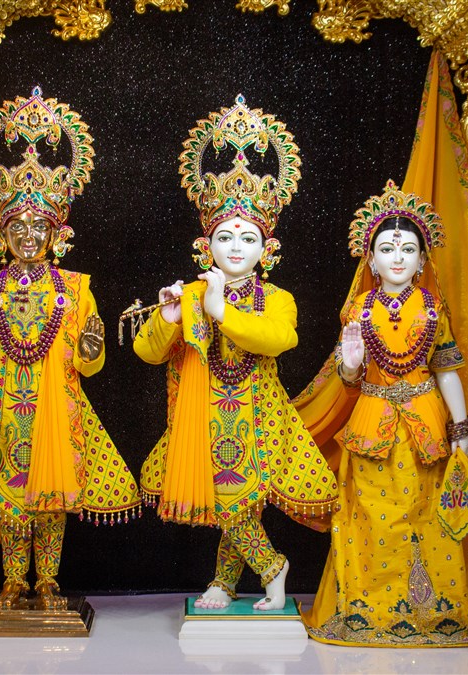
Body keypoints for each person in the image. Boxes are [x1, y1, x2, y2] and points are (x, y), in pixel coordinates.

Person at [133, 95, 338, 611]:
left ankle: (265, 568)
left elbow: (278, 339)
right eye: (224, 237)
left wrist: (220, 310)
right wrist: (169, 317)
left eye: (248, 238)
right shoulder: (190, 294)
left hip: (259, 417)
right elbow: (148, 353)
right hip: (203, 415)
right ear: (208, 246)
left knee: (236, 498)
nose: (236, 246)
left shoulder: (278, 298)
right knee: (232, 499)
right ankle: (231, 580)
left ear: (266, 249)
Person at [0, 88, 140, 610]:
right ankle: (12, 581)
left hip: (58, 405)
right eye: (17, 227)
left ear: (57, 233)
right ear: (0, 233)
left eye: (38, 227)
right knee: (11, 495)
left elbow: (89, 362)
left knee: (51, 495)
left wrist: (92, 347)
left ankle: (48, 579)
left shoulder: (75, 288)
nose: (27, 236)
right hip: (8, 406)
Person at [301, 181, 468, 646]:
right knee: (372, 517)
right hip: (372, 421)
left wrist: (460, 427)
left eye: (408, 249)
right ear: (371, 260)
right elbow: (350, 378)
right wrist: (350, 363)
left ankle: (439, 611)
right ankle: (369, 612)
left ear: (422, 260)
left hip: (426, 423)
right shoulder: (358, 310)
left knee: (430, 514)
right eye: (388, 249)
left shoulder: (433, 310)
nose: (398, 257)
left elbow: (447, 370)